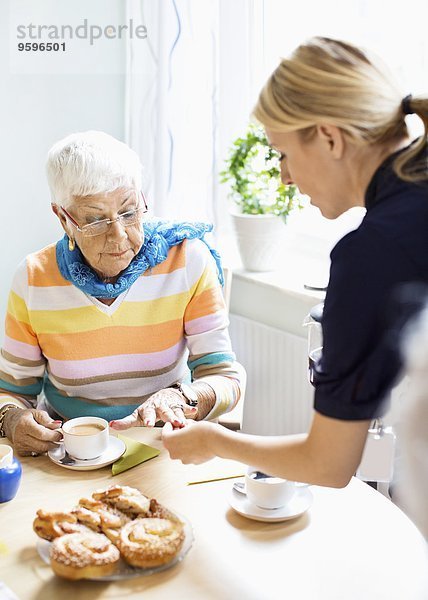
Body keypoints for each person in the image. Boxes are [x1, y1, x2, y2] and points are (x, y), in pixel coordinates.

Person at [162, 36, 428, 488]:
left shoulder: (372, 254)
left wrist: (213, 442)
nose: (284, 176)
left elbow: (328, 464)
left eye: (283, 153)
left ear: (328, 137)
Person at [0, 131, 244, 456]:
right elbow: (12, 393)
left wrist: (184, 398)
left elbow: (226, 377)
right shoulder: (33, 279)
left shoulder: (187, 260)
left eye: (129, 212)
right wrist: (12, 418)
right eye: (96, 220)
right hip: (71, 451)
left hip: (164, 447)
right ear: (63, 219)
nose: (118, 236)